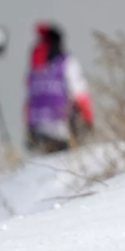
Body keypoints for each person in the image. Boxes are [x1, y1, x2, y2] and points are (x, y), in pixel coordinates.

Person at [25, 23, 94, 154]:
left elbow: (28, 101)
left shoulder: (35, 69)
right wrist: (88, 120)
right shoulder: (66, 63)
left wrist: (29, 128)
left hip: (38, 129)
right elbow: (80, 94)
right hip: (62, 130)